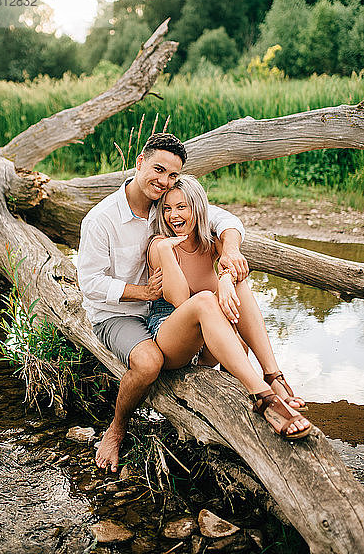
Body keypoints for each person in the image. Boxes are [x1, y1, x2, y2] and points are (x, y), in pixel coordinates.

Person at [77, 133, 249, 472]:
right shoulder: (101, 219)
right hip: (117, 314)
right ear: (140, 162)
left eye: (172, 175)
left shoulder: (166, 202)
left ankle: (237, 409)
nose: (164, 181)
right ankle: (116, 429)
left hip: (164, 311)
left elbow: (223, 219)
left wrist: (229, 250)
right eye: (158, 170)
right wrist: (142, 292)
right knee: (148, 362)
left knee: (236, 343)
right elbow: (90, 283)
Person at [146, 174, 311, 440]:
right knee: (205, 300)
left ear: (197, 209)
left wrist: (225, 279)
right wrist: (167, 251)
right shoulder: (158, 245)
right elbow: (179, 301)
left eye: (181, 207)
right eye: (167, 208)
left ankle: (273, 374)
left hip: (208, 338)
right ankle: (264, 396)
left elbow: (232, 260)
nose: (173, 216)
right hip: (171, 336)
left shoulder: (210, 240)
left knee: (239, 281)